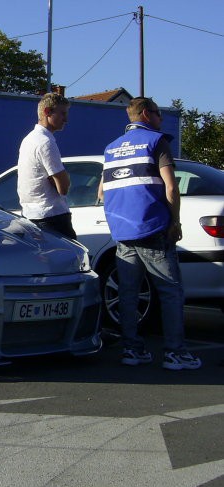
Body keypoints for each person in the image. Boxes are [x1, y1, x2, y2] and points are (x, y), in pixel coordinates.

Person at [99, 96, 201, 370]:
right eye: (157, 113)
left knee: (129, 294)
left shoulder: (110, 149)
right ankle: (175, 353)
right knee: (171, 292)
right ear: (145, 114)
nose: (161, 119)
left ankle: (132, 350)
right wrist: (175, 221)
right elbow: (171, 187)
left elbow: (101, 192)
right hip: (153, 227)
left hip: (123, 232)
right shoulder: (157, 142)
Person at [17, 92, 77, 239]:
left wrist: (54, 178)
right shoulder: (46, 142)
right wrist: (61, 178)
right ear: (47, 112)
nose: (66, 119)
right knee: (73, 258)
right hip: (52, 216)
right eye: (62, 113)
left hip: (29, 215)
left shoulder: (28, 140)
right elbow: (63, 187)